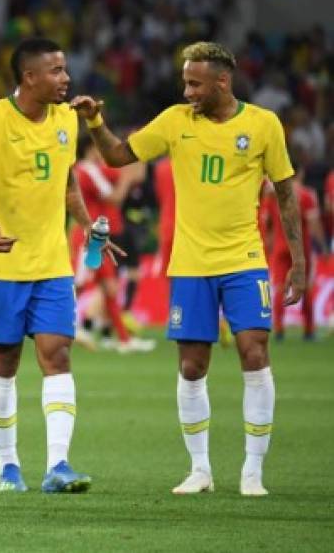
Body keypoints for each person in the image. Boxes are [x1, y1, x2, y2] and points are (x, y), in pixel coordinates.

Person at [72, 41, 306, 497]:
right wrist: (96, 122)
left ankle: (252, 472)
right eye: (185, 82)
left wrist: (298, 262)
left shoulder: (262, 124)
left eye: (195, 83)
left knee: (254, 355)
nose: (187, 91)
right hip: (191, 263)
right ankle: (200, 470)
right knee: (192, 365)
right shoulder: (175, 122)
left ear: (223, 81)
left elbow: (285, 193)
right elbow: (118, 156)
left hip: (244, 260)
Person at [0, 37, 104, 494]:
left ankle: (58, 465)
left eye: (65, 69)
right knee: (5, 360)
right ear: (29, 77)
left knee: (57, 354)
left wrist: (86, 226)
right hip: (3, 263)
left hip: (52, 263)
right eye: (56, 70)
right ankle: (8, 468)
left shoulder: (67, 120)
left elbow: (68, 184)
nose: (66, 78)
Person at [73, 136, 154, 353]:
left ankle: (124, 340)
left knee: (110, 288)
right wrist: (127, 178)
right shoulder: (86, 170)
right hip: (86, 237)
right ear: (91, 148)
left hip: (101, 239)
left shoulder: (96, 169)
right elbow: (115, 197)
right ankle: (61, 326)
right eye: (100, 148)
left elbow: (125, 172)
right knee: (78, 285)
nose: (103, 152)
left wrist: (132, 167)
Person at [260, 166, 328, 340]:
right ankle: (309, 329)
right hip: (301, 248)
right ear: (302, 173)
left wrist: (267, 247)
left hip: (279, 247)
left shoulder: (272, 195)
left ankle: (279, 328)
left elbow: (265, 223)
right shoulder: (306, 195)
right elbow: (314, 225)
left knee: (280, 287)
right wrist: (323, 246)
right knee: (304, 286)